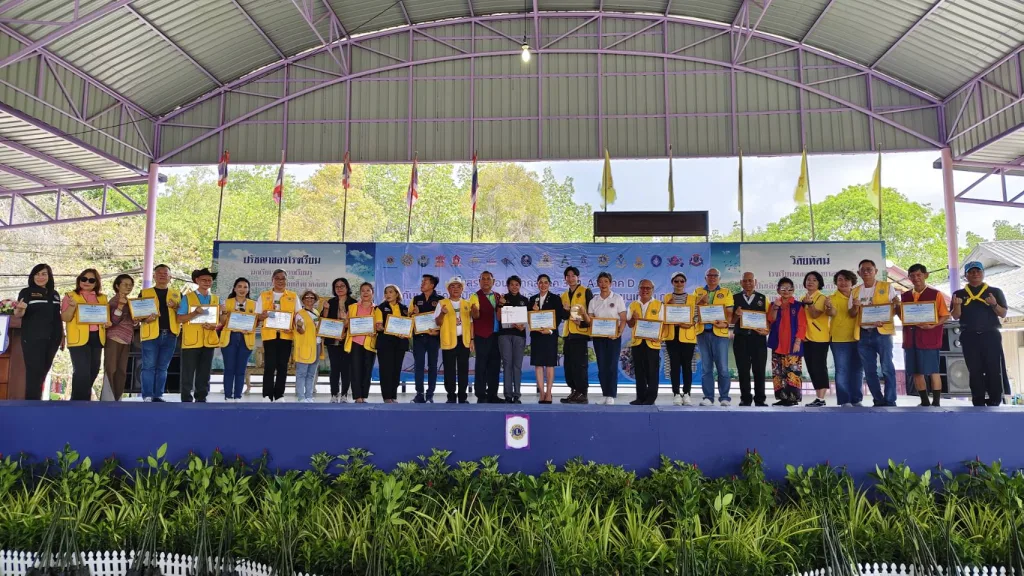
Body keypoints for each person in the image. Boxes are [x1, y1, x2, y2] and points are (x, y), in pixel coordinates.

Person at [952, 261, 1008, 407]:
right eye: (971, 272)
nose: (975, 274)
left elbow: (1003, 314)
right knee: (974, 369)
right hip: (969, 336)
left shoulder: (995, 291)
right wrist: (957, 305)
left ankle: (995, 399)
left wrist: (994, 304)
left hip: (990, 335)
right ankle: (978, 399)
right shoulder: (959, 294)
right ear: (966, 275)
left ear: (983, 273)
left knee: (993, 367)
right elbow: (956, 316)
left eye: (978, 271)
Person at [848, 259, 900, 407]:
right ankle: (878, 399)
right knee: (869, 370)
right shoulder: (855, 291)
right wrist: (855, 307)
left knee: (887, 367)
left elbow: (895, 308)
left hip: (882, 333)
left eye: (869, 269)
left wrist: (890, 312)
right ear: (859, 273)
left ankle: (890, 400)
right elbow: (851, 314)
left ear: (875, 271)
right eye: (863, 270)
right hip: (863, 334)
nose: (866, 272)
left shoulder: (887, 287)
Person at [898, 264, 950, 407]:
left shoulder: (936, 294)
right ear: (909, 278)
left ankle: (936, 402)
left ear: (926, 275)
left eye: (919, 275)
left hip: (929, 339)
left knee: (933, 371)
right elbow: (904, 318)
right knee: (916, 372)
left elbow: (945, 315)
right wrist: (896, 308)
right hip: (910, 339)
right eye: (912, 276)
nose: (916, 278)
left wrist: (933, 325)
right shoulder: (905, 296)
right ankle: (924, 401)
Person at [14, 264, 63, 401]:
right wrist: (20, 309)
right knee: (34, 372)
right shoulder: (26, 292)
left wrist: (62, 336)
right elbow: (18, 314)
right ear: (32, 276)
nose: (40, 277)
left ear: (49, 276)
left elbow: (57, 316)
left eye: (44, 274)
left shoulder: (55, 294)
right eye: (37, 274)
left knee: (43, 372)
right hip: (32, 338)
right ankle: (31, 404)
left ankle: (38, 402)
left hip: (53, 338)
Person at [61, 268, 109, 401]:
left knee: (94, 371)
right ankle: (77, 402)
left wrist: (107, 322)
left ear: (96, 283)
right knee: (82, 372)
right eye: (84, 279)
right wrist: (72, 307)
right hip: (77, 339)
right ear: (79, 280)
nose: (87, 282)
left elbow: (106, 318)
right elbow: (65, 318)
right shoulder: (70, 296)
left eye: (91, 280)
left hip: (97, 338)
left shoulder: (102, 298)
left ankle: (83, 400)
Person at [176, 268, 220, 403]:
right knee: (188, 372)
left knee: (205, 372)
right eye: (204, 280)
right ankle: (186, 399)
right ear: (197, 281)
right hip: (191, 341)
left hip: (209, 340)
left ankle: (201, 398)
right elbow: (179, 318)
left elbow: (220, 321)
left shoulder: (215, 299)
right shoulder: (188, 297)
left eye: (209, 280)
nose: (207, 282)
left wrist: (215, 326)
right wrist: (195, 313)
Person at [583, 271, 627, 405]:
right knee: (602, 366)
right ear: (597, 284)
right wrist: (583, 314)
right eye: (600, 282)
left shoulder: (617, 298)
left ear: (610, 283)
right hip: (598, 338)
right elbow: (590, 321)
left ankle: (611, 395)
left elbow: (623, 318)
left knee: (612, 366)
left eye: (606, 282)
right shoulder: (593, 300)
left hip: (614, 337)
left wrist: (619, 333)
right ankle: (605, 393)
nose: (603, 284)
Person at [138, 264, 179, 402]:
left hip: (171, 334)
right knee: (148, 366)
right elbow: (138, 314)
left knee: (163, 367)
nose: (162, 275)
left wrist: (176, 306)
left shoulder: (177, 294)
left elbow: (184, 313)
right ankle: (147, 395)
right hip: (150, 335)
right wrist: (145, 319)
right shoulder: (144, 293)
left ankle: (158, 395)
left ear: (170, 277)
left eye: (165, 273)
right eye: (159, 273)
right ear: (154, 276)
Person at [694, 268, 734, 406]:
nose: (712, 277)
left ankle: (724, 397)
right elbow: (693, 310)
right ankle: (708, 397)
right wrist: (701, 302)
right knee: (706, 367)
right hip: (702, 333)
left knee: (722, 367)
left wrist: (726, 323)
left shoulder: (726, 292)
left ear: (719, 278)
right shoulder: (698, 291)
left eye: (715, 275)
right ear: (705, 278)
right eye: (709, 275)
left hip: (720, 334)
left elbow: (729, 312)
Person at [256, 269, 298, 402]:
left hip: (286, 336)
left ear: (286, 280)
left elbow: (298, 316)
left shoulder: (293, 296)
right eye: (277, 278)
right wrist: (262, 316)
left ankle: (279, 395)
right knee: (269, 366)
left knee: (282, 366)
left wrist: (295, 325)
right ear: (272, 280)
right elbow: (257, 316)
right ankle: (267, 395)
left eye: (283, 278)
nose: (280, 281)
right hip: (270, 335)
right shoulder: (264, 296)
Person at [731, 272, 769, 407]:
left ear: (755, 282)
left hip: (758, 339)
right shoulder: (734, 298)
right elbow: (731, 321)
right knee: (743, 370)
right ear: (741, 283)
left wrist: (767, 330)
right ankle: (745, 398)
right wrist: (736, 315)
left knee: (759, 370)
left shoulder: (763, 298)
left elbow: (769, 319)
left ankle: (760, 399)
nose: (748, 283)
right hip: (740, 339)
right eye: (745, 281)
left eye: (750, 280)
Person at [767, 277, 806, 406]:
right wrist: (776, 307)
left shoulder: (798, 305)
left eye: (789, 288)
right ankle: (782, 397)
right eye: (783, 288)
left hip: (792, 344)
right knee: (778, 371)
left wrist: (798, 341)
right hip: (777, 343)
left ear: (793, 290)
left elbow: (802, 325)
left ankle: (793, 398)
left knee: (792, 371)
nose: (786, 291)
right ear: (778, 290)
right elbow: (771, 319)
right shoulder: (773, 304)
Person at [827, 270, 864, 406]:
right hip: (839, 339)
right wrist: (829, 308)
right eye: (840, 280)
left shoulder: (859, 296)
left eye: (846, 280)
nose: (843, 283)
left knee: (858, 370)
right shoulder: (831, 298)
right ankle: (844, 401)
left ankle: (857, 399)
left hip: (858, 337)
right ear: (836, 282)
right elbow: (831, 312)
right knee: (842, 370)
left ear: (852, 282)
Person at [662, 272, 697, 406]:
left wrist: (690, 323)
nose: (679, 283)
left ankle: (687, 393)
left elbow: (696, 316)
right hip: (672, 336)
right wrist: (668, 306)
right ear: (672, 283)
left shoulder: (692, 298)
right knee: (674, 365)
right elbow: (662, 315)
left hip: (687, 335)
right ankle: (676, 393)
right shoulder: (666, 297)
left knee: (687, 366)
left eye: (682, 281)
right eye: (676, 281)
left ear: (685, 283)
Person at [436, 276, 473, 403]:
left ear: (462, 289)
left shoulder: (467, 304)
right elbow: (438, 322)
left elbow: (471, 323)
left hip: (464, 341)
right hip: (448, 341)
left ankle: (463, 395)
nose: (455, 289)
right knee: (449, 370)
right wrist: (442, 313)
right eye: (452, 286)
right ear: (448, 289)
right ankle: (451, 395)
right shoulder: (442, 303)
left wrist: (472, 339)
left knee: (463, 369)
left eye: (458, 286)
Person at [560, 266, 594, 404]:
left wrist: (583, 324)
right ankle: (574, 391)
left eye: (573, 275)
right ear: (565, 278)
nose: (570, 278)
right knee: (569, 365)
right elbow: (563, 316)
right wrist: (565, 310)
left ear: (578, 277)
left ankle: (582, 393)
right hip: (567, 334)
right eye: (568, 276)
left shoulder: (586, 291)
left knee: (580, 365)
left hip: (580, 334)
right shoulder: (563, 295)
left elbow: (591, 314)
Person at [626, 278, 663, 405]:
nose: (645, 290)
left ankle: (651, 398)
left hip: (652, 342)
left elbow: (663, 324)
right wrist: (633, 319)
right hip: (637, 342)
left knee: (652, 371)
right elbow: (630, 324)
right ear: (638, 289)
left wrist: (658, 337)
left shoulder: (659, 305)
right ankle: (640, 397)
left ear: (652, 290)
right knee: (639, 371)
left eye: (648, 288)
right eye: (642, 287)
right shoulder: (633, 305)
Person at [219, 277, 256, 402]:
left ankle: (238, 396)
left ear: (248, 289)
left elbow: (256, 322)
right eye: (239, 286)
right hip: (229, 338)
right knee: (229, 369)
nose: (242, 289)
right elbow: (222, 322)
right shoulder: (226, 303)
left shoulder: (254, 304)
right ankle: (228, 396)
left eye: (245, 287)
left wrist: (249, 327)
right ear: (234, 288)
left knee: (241, 370)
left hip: (246, 339)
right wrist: (224, 313)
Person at [344, 282, 381, 403]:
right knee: (355, 370)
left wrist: (375, 330)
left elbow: (379, 326)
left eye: (368, 290)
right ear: (360, 293)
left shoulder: (377, 309)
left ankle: (364, 396)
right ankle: (357, 397)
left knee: (367, 370)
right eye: (363, 290)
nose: (365, 293)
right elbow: (346, 324)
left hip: (370, 343)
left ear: (372, 293)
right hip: (355, 342)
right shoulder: (352, 307)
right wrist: (345, 322)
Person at [529, 274, 562, 404]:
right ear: (537, 284)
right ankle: (541, 393)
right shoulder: (532, 299)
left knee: (549, 364)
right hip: (537, 336)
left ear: (549, 284)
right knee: (538, 364)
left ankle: (548, 392)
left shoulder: (555, 298)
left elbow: (558, 317)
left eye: (546, 282)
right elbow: (529, 318)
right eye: (541, 282)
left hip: (550, 336)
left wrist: (550, 330)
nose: (543, 285)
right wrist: (534, 311)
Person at [470, 271, 502, 403]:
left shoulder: (498, 296)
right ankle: (481, 394)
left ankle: (493, 394)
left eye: (488, 279)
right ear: (479, 282)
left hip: (496, 335)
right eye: (483, 279)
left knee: (495, 366)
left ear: (493, 281)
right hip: (482, 335)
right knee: (481, 366)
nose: (486, 281)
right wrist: (474, 310)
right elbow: (475, 316)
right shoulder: (474, 296)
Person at [105, 274, 138, 401]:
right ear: (117, 286)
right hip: (113, 338)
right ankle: (108, 399)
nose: (128, 287)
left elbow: (133, 323)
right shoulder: (113, 301)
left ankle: (117, 398)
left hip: (126, 340)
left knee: (122, 371)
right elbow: (113, 321)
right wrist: (119, 306)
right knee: (111, 369)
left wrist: (137, 321)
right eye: (125, 284)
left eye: (131, 285)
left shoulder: (130, 303)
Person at [323, 277, 356, 403]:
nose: (339, 288)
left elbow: (358, 323)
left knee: (346, 368)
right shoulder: (330, 302)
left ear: (347, 288)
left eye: (342, 286)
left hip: (347, 341)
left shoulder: (354, 303)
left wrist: (346, 325)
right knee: (334, 368)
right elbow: (324, 321)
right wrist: (326, 309)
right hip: (332, 341)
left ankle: (344, 395)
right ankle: (334, 394)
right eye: (337, 286)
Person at [410, 274, 442, 403]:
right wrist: (414, 314)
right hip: (418, 337)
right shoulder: (416, 299)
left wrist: (438, 332)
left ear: (432, 285)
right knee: (418, 365)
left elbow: (444, 320)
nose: (422, 283)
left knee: (432, 366)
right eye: (422, 281)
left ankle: (430, 395)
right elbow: (409, 317)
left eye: (425, 282)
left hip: (433, 338)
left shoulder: (440, 300)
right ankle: (419, 393)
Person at [801, 271, 831, 407]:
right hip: (806, 338)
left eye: (814, 280)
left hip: (820, 338)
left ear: (819, 283)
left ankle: (821, 398)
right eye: (808, 279)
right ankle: (818, 397)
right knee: (811, 368)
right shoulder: (803, 297)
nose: (810, 282)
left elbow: (814, 314)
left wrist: (810, 303)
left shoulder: (822, 298)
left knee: (819, 367)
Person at [376, 284, 410, 403]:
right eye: (386, 292)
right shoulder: (380, 308)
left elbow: (408, 325)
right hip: (385, 343)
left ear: (397, 294)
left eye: (391, 292)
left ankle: (393, 396)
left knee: (396, 370)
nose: (388, 294)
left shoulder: (404, 308)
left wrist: (405, 332)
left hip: (400, 343)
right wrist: (391, 329)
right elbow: (378, 327)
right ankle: (386, 397)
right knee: (386, 370)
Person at [498, 275, 529, 404]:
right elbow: (498, 318)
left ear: (520, 286)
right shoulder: (502, 299)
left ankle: (517, 395)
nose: (514, 287)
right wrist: (500, 304)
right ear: (508, 286)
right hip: (504, 335)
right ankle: (507, 395)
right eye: (512, 284)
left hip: (519, 336)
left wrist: (523, 326)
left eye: (517, 284)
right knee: (507, 365)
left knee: (517, 365)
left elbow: (529, 318)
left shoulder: (525, 300)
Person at [293, 290, 322, 403]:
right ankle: (301, 396)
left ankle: (309, 395)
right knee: (302, 373)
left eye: (312, 297)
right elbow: (300, 331)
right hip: (305, 347)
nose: (309, 299)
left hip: (317, 345)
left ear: (315, 300)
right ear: (303, 300)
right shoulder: (300, 314)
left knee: (311, 373)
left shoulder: (316, 312)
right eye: (307, 297)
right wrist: (299, 327)